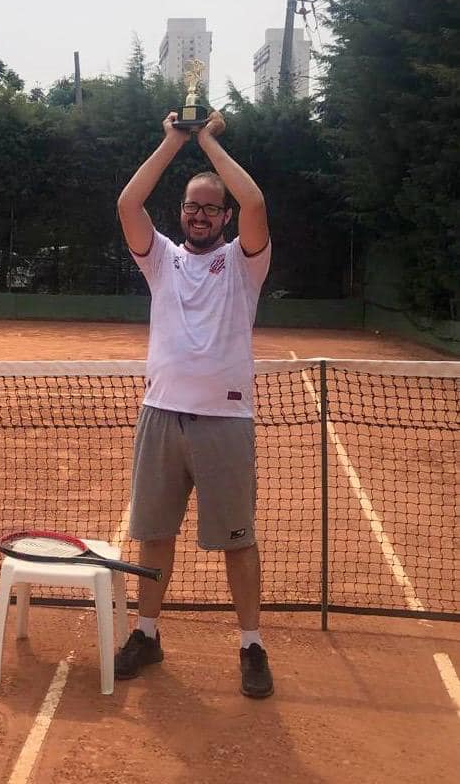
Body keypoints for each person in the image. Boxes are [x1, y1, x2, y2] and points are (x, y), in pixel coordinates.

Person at [114, 110, 273, 698]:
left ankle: (251, 644)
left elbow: (255, 202)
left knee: (238, 540)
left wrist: (205, 140)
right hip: (161, 414)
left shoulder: (244, 263)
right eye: (191, 206)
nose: (200, 214)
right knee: (155, 534)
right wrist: (169, 141)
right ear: (181, 212)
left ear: (224, 217)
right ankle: (147, 633)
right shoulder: (160, 259)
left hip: (226, 422)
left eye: (210, 208)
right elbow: (129, 204)